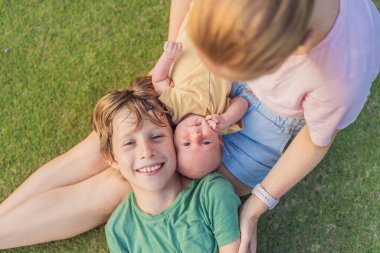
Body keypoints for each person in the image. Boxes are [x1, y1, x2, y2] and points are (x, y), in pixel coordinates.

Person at [0, 0, 378, 252]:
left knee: (126, 181)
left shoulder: (340, 74)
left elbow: (316, 139)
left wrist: (255, 208)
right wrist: (177, 51)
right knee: (109, 146)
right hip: (205, 65)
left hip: (264, 123)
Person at [184, 0, 380, 252]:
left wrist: (255, 206)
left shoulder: (339, 81)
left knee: (201, 196)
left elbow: (315, 140)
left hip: (272, 123)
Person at [92, 79, 240, 252]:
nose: (146, 152)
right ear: (112, 157)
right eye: (129, 143)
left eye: (157, 137)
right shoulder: (119, 231)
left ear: (175, 138)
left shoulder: (212, 193)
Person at [151, 37, 248, 179]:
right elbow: (242, 102)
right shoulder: (218, 122)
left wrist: (168, 57)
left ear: (173, 139)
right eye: (206, 142)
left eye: (186, 143)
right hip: (228, 46)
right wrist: (225, 119)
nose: (196, 136)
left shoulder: (173, 107)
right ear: (219, 140)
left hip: (193, 39)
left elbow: (158, 80)